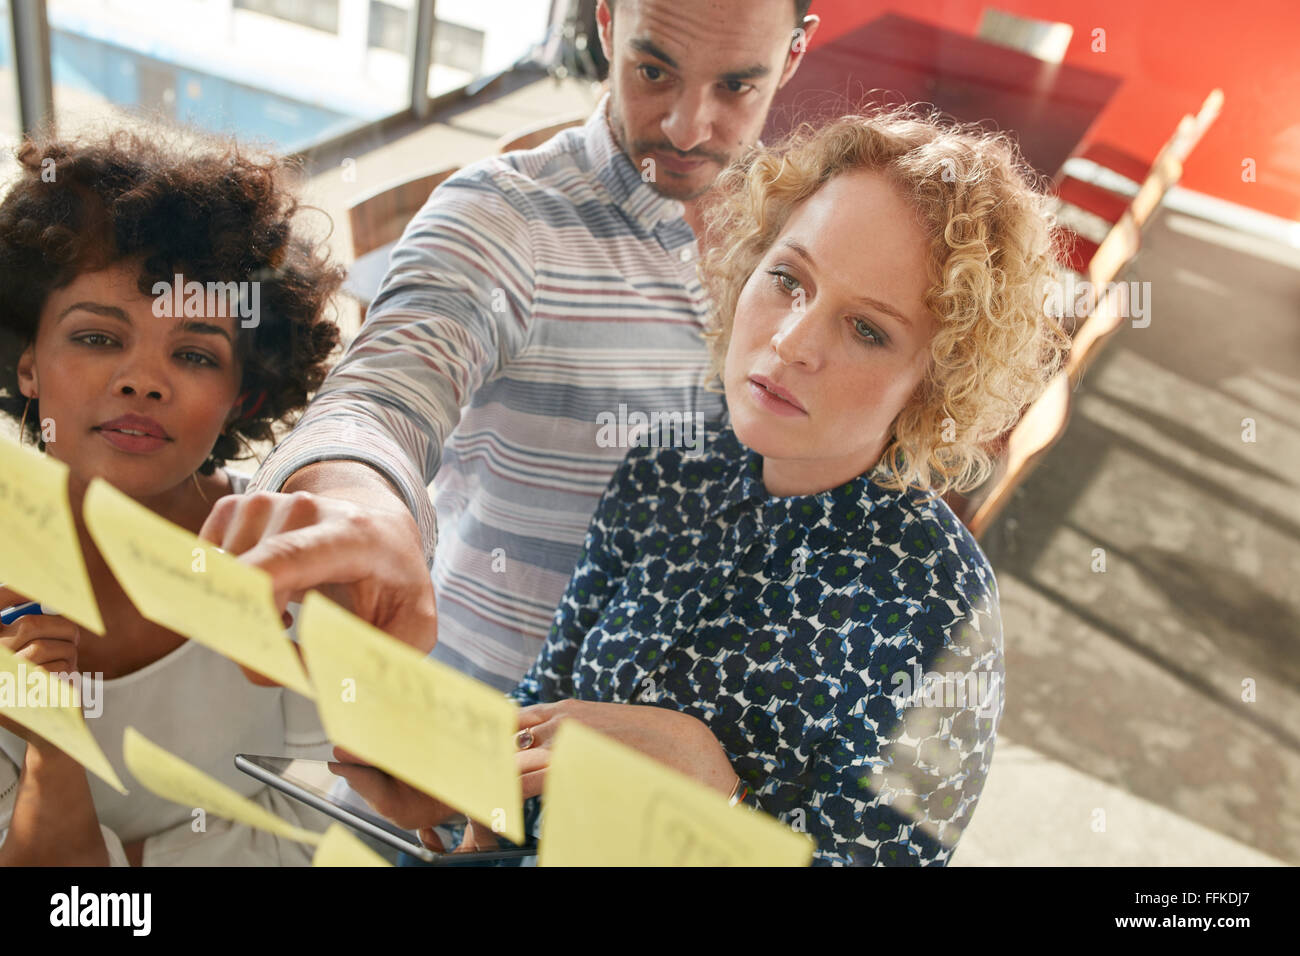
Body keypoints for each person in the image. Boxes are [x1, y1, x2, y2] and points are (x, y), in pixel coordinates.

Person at [334, 108, 1071, 865]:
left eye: (868, 330)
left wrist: (719, 798)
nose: (792, 342)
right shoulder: (669, 466)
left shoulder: (940, 608)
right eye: (789, 278)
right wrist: (464, 788)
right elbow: (542, 706)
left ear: (934, 381)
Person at [202, 0, 821, 690]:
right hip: (468, 735)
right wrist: (361, 506)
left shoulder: (810, 233)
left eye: (735, 86)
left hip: (683, 753)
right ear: (607, 25)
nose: (686, 125)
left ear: (793, 54)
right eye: (653, 70)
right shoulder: (505, 215)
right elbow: (383, 395)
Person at [0, 125, 345, 865]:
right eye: (97, 338)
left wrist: (119, 853)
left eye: (193, 354)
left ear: (244, 396)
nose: (142, 381)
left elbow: (329, 821)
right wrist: (50, 752)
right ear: (28, 363)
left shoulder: (289, 560)